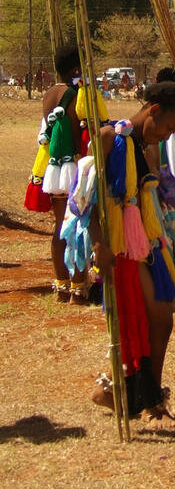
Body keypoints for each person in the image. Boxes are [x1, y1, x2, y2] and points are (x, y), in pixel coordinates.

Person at [87, 80, 175, 425]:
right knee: (145, 319)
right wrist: (98, 244)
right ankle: (128, 394)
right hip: (120, 247)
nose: (167, 137)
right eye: (167, 128)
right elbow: (89, 197)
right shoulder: (109, 138)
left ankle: (141, 395)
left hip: (148, 244)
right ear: (154, 111)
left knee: (160, 321)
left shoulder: (148, 146)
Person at [24, 45, 88, 303]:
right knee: (79, 226)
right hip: (74, 167)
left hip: (53, 169)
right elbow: (82, 132)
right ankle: (79, 287)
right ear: (76, 69)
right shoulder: (76, 94)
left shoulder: (48, 94)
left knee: (60, 226)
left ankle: (62, 285)